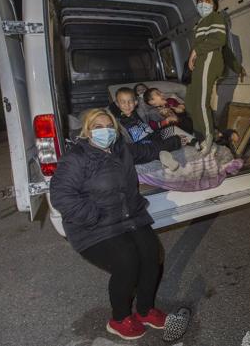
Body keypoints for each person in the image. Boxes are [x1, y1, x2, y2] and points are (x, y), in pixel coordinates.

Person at [49, 108, 184, 340]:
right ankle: (119, 319)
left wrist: (175, 141)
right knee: (127, 261)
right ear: (87, 131)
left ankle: (145, 310)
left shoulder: (122, 150)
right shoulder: (76, 158)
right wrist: (93, 216)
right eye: (98, 127)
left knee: (152, 255)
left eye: (109, 126)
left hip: (129, 218)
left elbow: (149, 149)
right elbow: (61, 195)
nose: (105, 131)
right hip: (93, 226)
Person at [185, 0, 243, 155]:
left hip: (209, 60)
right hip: (202, 63)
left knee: (202, 101)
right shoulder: (199, 24)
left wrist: (195, 53)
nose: (203, 4)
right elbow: (225, 49)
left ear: (215, 5)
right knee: (191, 102)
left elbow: (219, 41)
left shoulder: (216, 17)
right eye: (201, 1)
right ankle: (201, 136)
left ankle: (208, 137)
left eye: (208, 1)